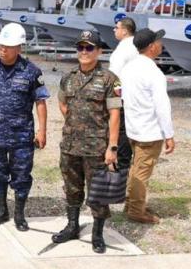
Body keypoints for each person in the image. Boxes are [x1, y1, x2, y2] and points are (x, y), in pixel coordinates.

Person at [0, 23, 48, 231]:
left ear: (19, 47)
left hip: (21, 136)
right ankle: (1, 210)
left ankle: (19, 214)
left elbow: (40, 101)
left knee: (22, 175)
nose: (3, 49)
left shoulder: (32, 71)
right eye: (1, 45)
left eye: (8, 46)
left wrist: (42, 130)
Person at [52, 30, 121, 254]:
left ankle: (97, 233)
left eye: (89, 47)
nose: (84, 52)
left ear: (99, 51)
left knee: (97, 192)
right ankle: (72, 226)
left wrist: (112, 147)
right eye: (80, 47)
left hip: (96, 147)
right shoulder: (68, 77)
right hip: (70, 144)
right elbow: (63, 103)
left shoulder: (109, 79)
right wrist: (74, 124)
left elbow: (114, 114)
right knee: (71, 188)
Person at [119, 28, 175, 224]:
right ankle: (136, 210)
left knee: (136, 169)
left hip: (133, 127)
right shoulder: (153, 73)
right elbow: (162, 106)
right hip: (149, 131)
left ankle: (132, 202)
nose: (161, 44)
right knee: (142, 172)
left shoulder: (129, 67)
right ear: (151, 47)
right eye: (159, 42)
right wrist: (169, 134)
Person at [108, 16, 139, 169]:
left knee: (119, 131)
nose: (114, 30)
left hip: (121, 96)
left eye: (117, 27)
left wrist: (111, 99)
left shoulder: (123, 49)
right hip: (133, 96)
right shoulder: (136, 47)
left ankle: (121, 166)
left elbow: (114, 77)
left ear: (125, 31)